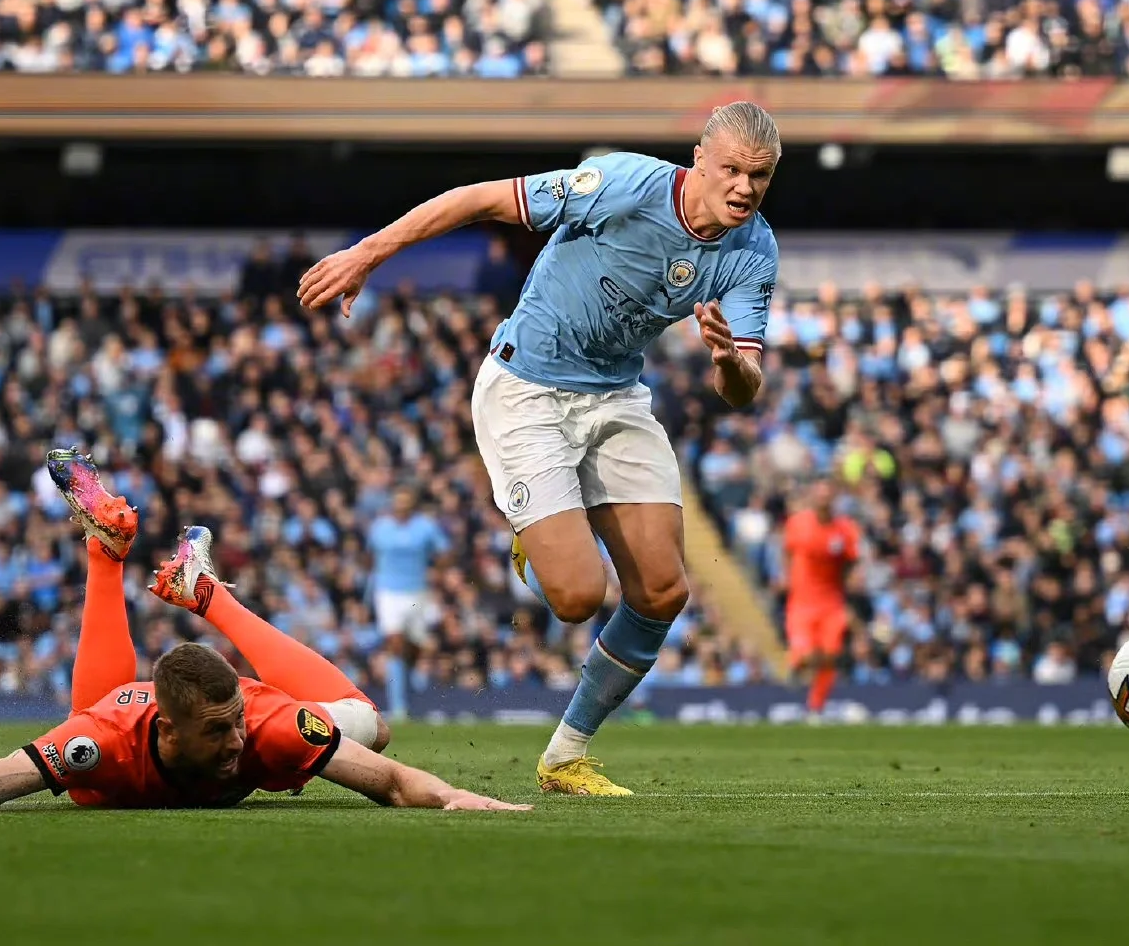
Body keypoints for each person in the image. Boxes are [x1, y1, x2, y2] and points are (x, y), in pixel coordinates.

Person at [299, 101, 781, 795]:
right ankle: (536, 534)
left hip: (615, 396)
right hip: (527, 386)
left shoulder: (752, 250)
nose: (743, 187)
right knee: (578, 596)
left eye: (758, 176)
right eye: (731, 169)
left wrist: (729, 363)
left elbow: (743, 388)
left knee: (664, 589)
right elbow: (478, 199)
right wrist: (366, 252)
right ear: (698, 160)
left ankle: (564, 757)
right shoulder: (622, 183)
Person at [0, 450, 529, 815]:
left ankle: (143, 568)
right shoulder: (105, 736)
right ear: (166, 728)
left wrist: (454, 800)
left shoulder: (268, 725)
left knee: (370, 726)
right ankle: (172, 581)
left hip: (164, 727)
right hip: (109, 732)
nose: (234, 739)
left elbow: (390, 780)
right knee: (86, 764)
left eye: (233, 722)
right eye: (217, 730)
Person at [365, 486, 449, 718]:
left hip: (417, 591)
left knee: (414, 646)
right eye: (398, 502)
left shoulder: (425, 526)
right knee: (395, 642)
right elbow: (368, 556)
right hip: (388, 591)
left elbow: (444, 552)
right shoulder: (380, 527)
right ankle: (399, 705)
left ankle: (409, 688)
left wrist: (437, 571)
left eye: (406, 502)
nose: (401, 507)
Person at [779, 479, 861, 716]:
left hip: (832, 602)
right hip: (802, 601)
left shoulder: (845, 529)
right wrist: (787, 577)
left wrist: (847, 582)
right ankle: (797, 664)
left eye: (828, 496)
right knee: (808, 654)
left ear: (834, 498)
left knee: (831, 655)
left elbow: (851, 560)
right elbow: (787, 552)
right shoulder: (798, 524)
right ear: (814, 497)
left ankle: (816, 707)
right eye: (820, 495)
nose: (823, 500)